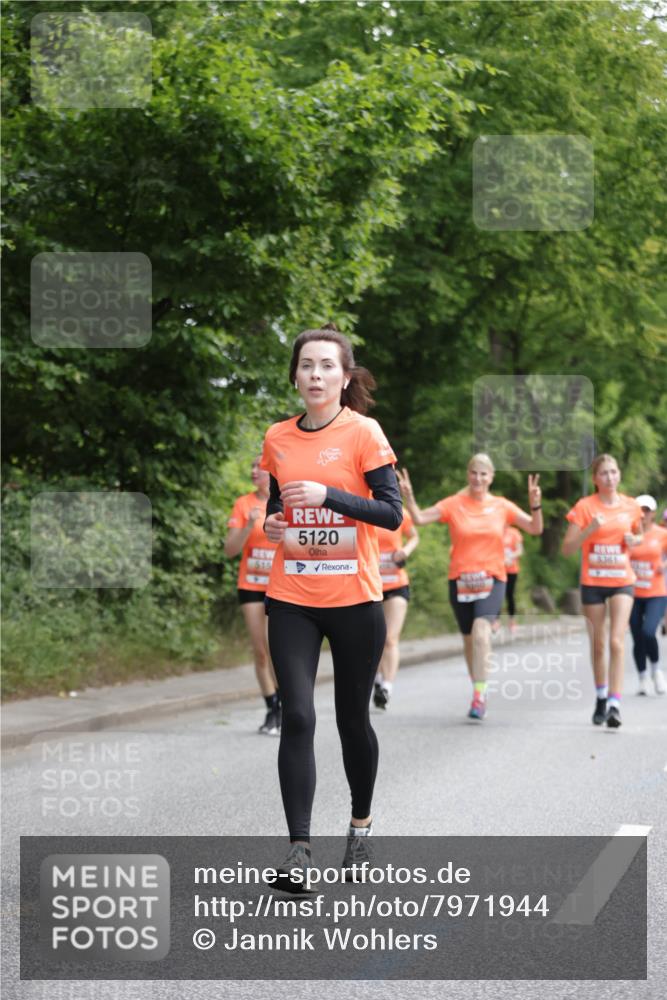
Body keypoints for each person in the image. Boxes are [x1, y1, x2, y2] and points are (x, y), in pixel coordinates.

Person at [260, 322, 402, 889]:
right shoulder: (277, 437)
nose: (315, 374)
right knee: (297, 715)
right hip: (291, 596)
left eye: (327, 366)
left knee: (351, 721)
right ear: (294, 377)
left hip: (355, 600)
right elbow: (277, 506)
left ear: (345, 378)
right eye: (306, 365)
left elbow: (391, 513)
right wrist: (273, 524)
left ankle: (360, 828)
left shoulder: (364, 433)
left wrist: (330, 496)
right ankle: (299, 851)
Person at [397, 455, 542, 721]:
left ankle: (479, 695)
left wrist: (535, 504)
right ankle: (478, 687)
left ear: (491, 477)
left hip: (493, 578)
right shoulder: (454, 504)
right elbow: (419, 518)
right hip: (460, 580)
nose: (478, 478)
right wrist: (409, 496)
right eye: (474, 473)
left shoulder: (502, 506)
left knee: (480, 631)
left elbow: (535, 528)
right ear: (468, 475)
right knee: (468, 640)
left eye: (484, 474)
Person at [561, 454, 643, 729]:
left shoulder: (631, 506)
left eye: (613, 472)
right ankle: (600, 697)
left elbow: (639, 534)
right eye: (604, 473)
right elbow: (567, 548)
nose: (610, 477)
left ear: (619, 474)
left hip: (622, 581)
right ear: (595, 479)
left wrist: (635, 540)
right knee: (598, 644)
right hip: (593, 583)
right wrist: (590, 529)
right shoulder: (584, 507)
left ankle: (615, 705)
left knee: (617, 641)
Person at [224, 458, 281, 734]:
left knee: (275, 649)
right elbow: (229, 550)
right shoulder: (243, 504)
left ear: (272, 472)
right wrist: (248, 526)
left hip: (280, 587)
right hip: (251, 585)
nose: (254, 471)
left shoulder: (284, 502)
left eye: (259, 466)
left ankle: (286, 703)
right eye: (252, 466)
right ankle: (272, 709)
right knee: (260, 651)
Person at [373, 509, 419, 709]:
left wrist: (406, 551)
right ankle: (376, 678)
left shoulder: (398, 510)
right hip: (368, 586)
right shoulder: (360, 506)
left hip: (396, 584)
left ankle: (386, 687)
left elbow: (414, 536)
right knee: (372, 639)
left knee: (390, 638)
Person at [629, 495, 667, 695]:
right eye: (640, 510)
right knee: (637, 637)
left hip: (656, 592)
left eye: (647, 510)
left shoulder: (661, 534)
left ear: (653, 513)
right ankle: (642, 678)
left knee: (649, 632)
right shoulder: (628, 533)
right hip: (632, 593)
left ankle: (656, 671)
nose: (643, 514)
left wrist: (665, 565)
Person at [502, 524, 523, 635]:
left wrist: (510, 557)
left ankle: (512, 621)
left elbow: (520, 550)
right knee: (496, 595)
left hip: (511, 569)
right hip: (497, 569)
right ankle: (494, 621)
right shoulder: (494, 530)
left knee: (509, 594)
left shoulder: (514, 533)